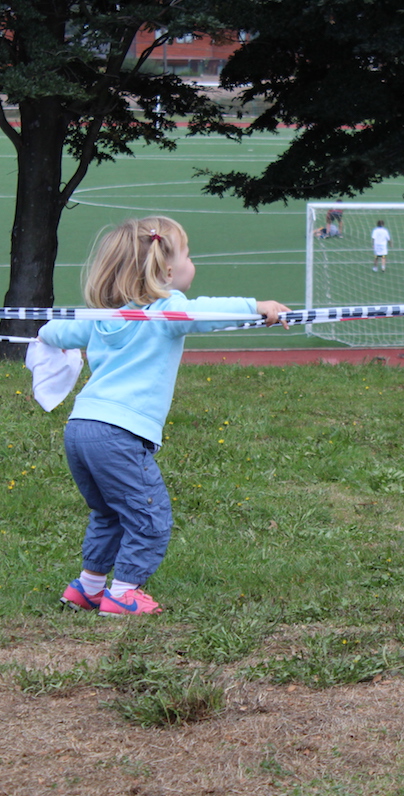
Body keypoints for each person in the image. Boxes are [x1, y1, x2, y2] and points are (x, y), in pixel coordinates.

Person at [41, 215, 290, 616]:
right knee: (149, 515)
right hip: (118, 434)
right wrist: (258, 308)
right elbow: (205, 313)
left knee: (109, 512)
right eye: (189, 255)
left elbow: (57, 332)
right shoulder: (167, 309)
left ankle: (88, 588)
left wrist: (42, 335)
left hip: (80, 428)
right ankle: (124, 594)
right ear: (169, 271)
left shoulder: (106, 316)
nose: (193, 263)